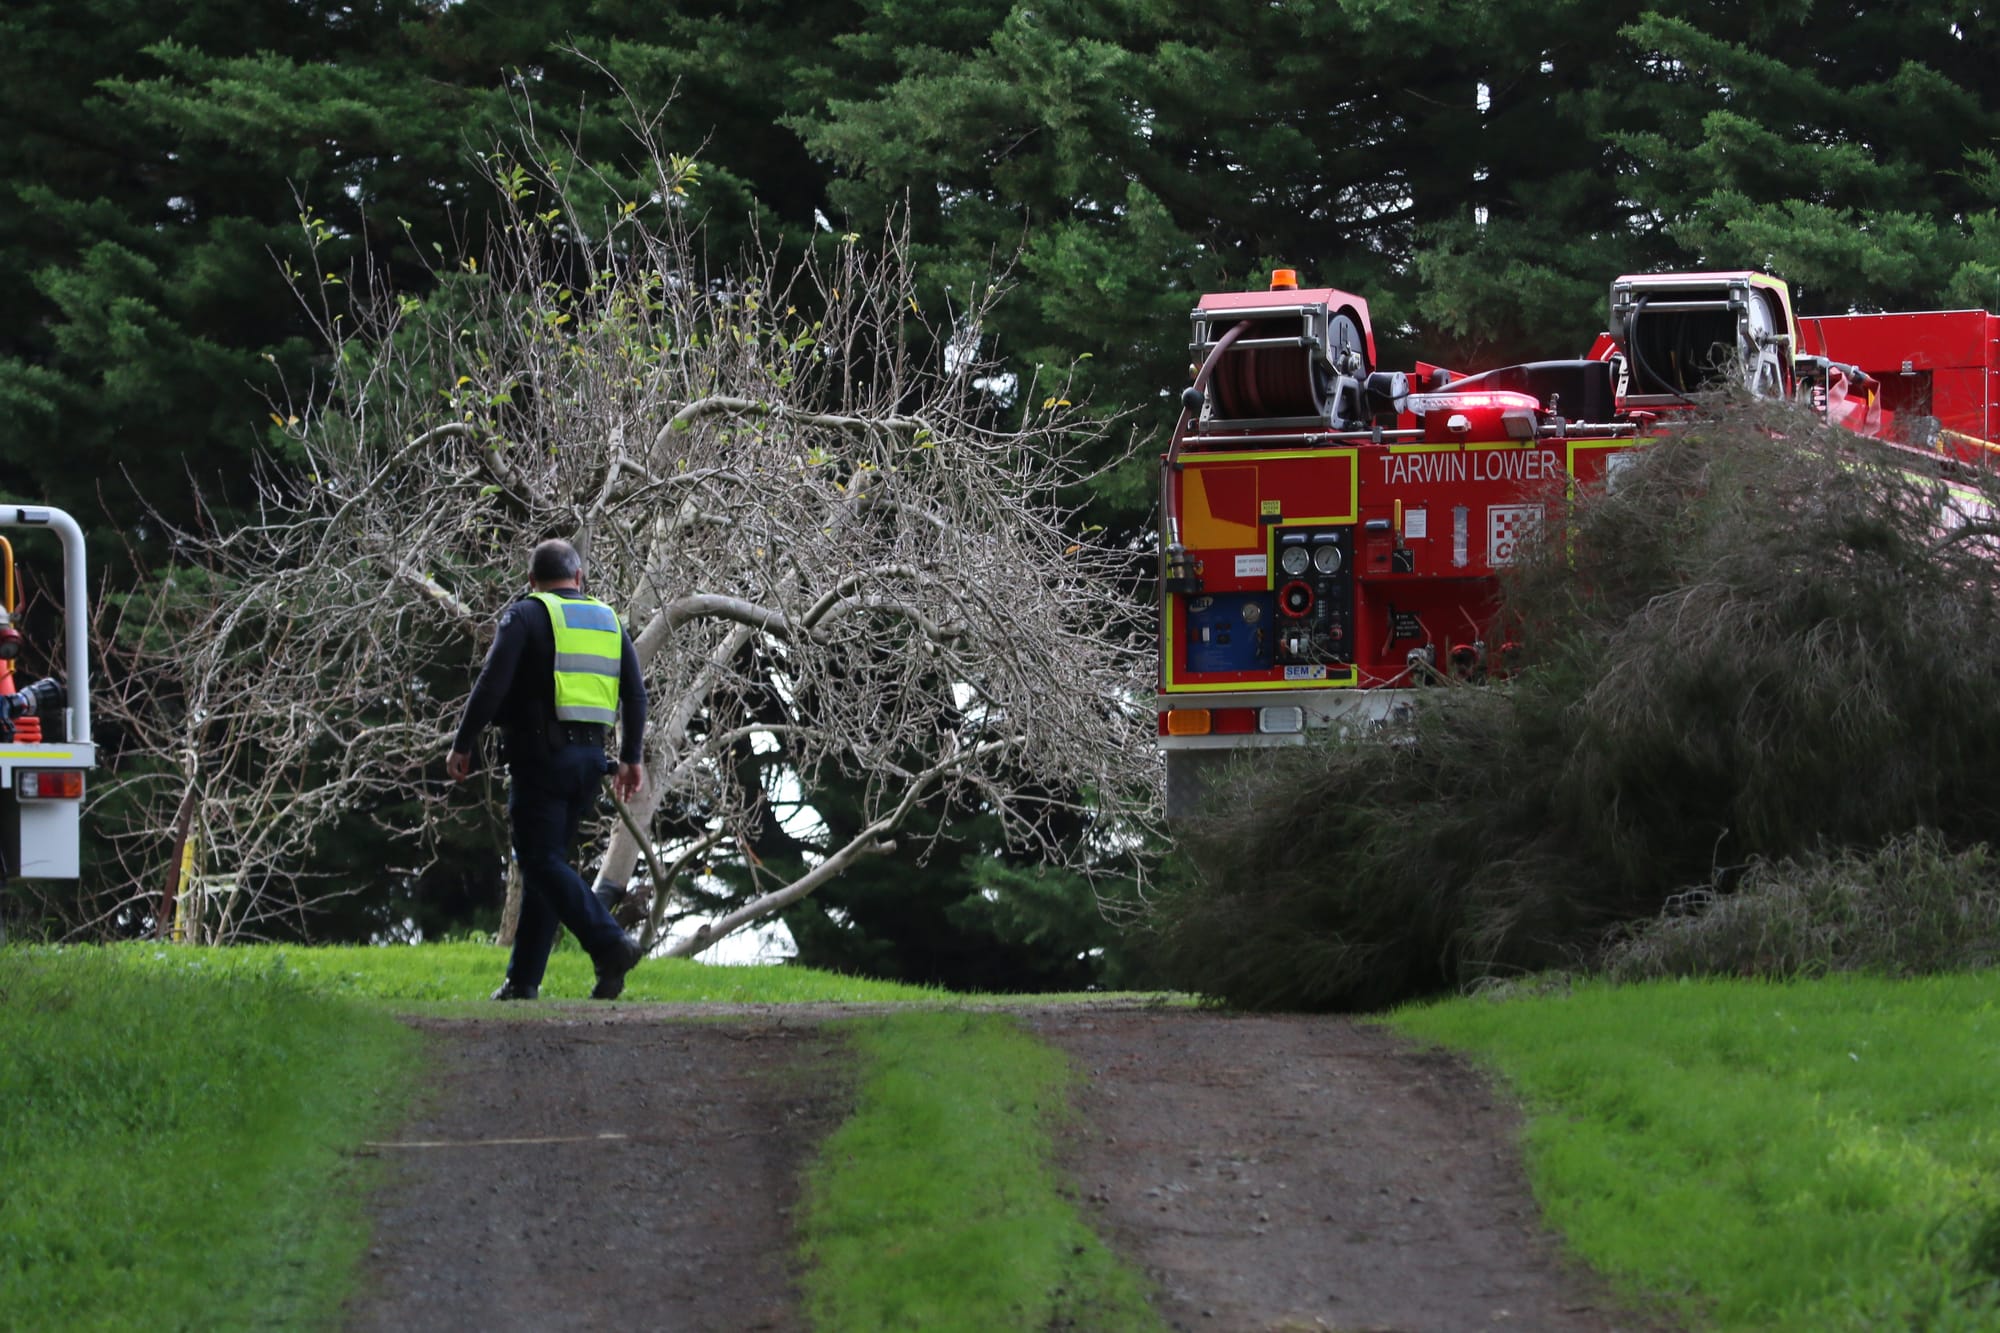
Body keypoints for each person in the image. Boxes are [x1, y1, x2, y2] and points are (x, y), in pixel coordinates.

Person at [447, 538, 648, 1001]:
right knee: (547, 865)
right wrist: (632, 757)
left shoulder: (526, 614)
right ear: (579, 578)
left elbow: (491, 682)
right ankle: (524, 981)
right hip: (590, 766)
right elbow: (634, 695)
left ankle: (610, 943)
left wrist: (463, 741)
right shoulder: (608, 620)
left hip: (540, 760)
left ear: (532, 581)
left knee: (538, 861)